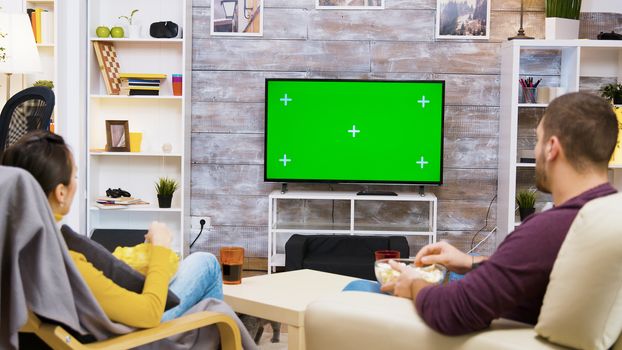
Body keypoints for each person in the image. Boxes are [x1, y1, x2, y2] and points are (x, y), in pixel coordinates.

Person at [379, 92, 619, 335]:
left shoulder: (549, 229)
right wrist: (471, 262)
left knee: (365, 291)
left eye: (537, 140)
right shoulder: (606, 212)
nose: (535, 151)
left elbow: (452, 311)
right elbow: (543, 271)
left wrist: (412, 284)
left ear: (551, 148)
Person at [0, 130, 222, 328]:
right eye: (75, 176)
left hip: (99, 324)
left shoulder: (17, 249)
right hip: (133, 339)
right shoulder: (63, 263)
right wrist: (161, 248)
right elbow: (149, 313)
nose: (76, 183)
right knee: (206, 263)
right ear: (60, 193)